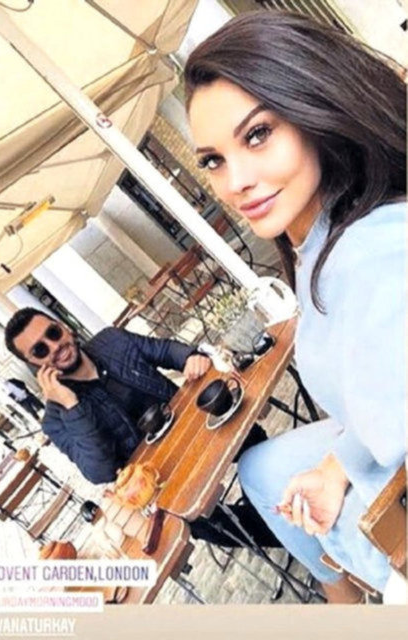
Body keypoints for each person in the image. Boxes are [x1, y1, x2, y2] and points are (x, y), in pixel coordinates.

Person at [184, 10, 406, 602]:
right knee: (264, 472)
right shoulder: (323, 238)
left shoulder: (372, 253)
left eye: (257, 134)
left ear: (314, 107)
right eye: (213, 160)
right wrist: (337, 470)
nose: (235, 181)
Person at [4, 307, 281, 549]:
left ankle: (273, 505)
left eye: (53, 333)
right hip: (161, 478)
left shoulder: (111, 340)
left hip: (196, 429)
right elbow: (99, 471)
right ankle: (283, 530)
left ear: (64, 328)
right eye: (40, 350)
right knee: (200, 524)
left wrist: (188, 357)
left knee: (252, 439)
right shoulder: (55, 421)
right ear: (34, 365)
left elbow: (164, 350)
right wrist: (71, 406)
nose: (54, 346)